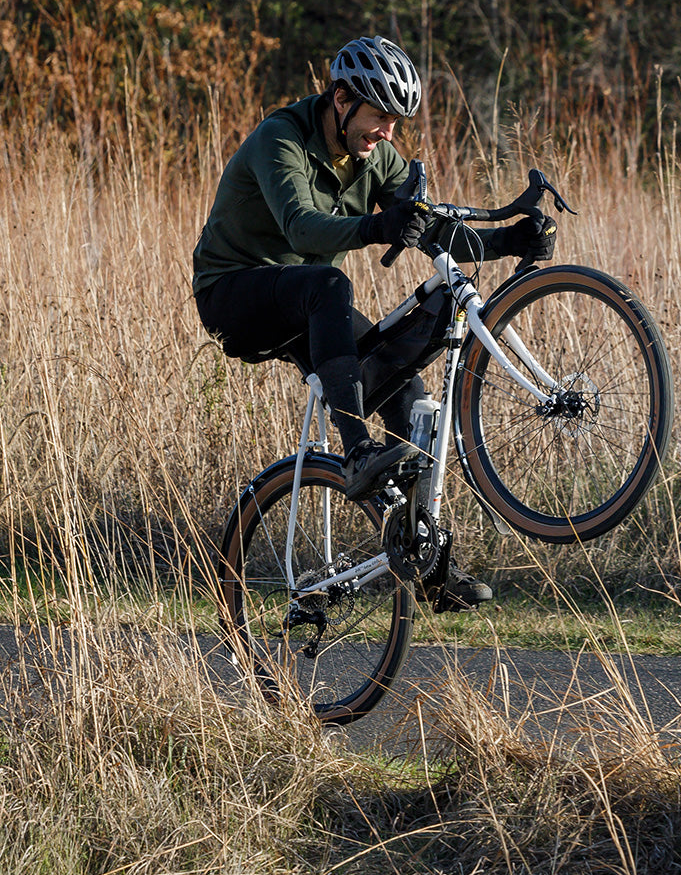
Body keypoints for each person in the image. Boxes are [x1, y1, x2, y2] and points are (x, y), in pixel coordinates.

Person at [192, 34, 556, 610]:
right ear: (341, 99)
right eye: (379, 117)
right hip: (234, 293)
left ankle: (428, 561)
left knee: (408, 392)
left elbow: (432, 230)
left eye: (395, 122)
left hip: (306, 303)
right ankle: (358, 452)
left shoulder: (375, 155)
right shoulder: (279, 139)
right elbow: (301, 228)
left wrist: (508, 241)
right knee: (328, 283)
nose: (387, 132)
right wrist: (374, 227)